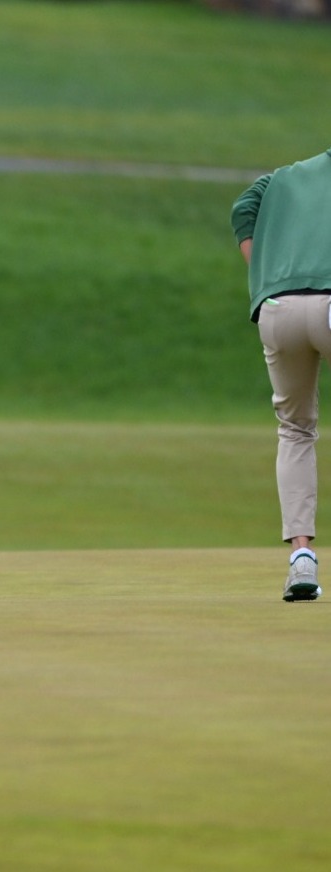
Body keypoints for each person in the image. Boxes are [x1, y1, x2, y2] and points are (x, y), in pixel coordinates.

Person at [232, 147, 331, 602]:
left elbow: (243, 209)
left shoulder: (289, 176)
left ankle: (302, 559)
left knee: (295, 429)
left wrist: (266, 272)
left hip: (279, 306)